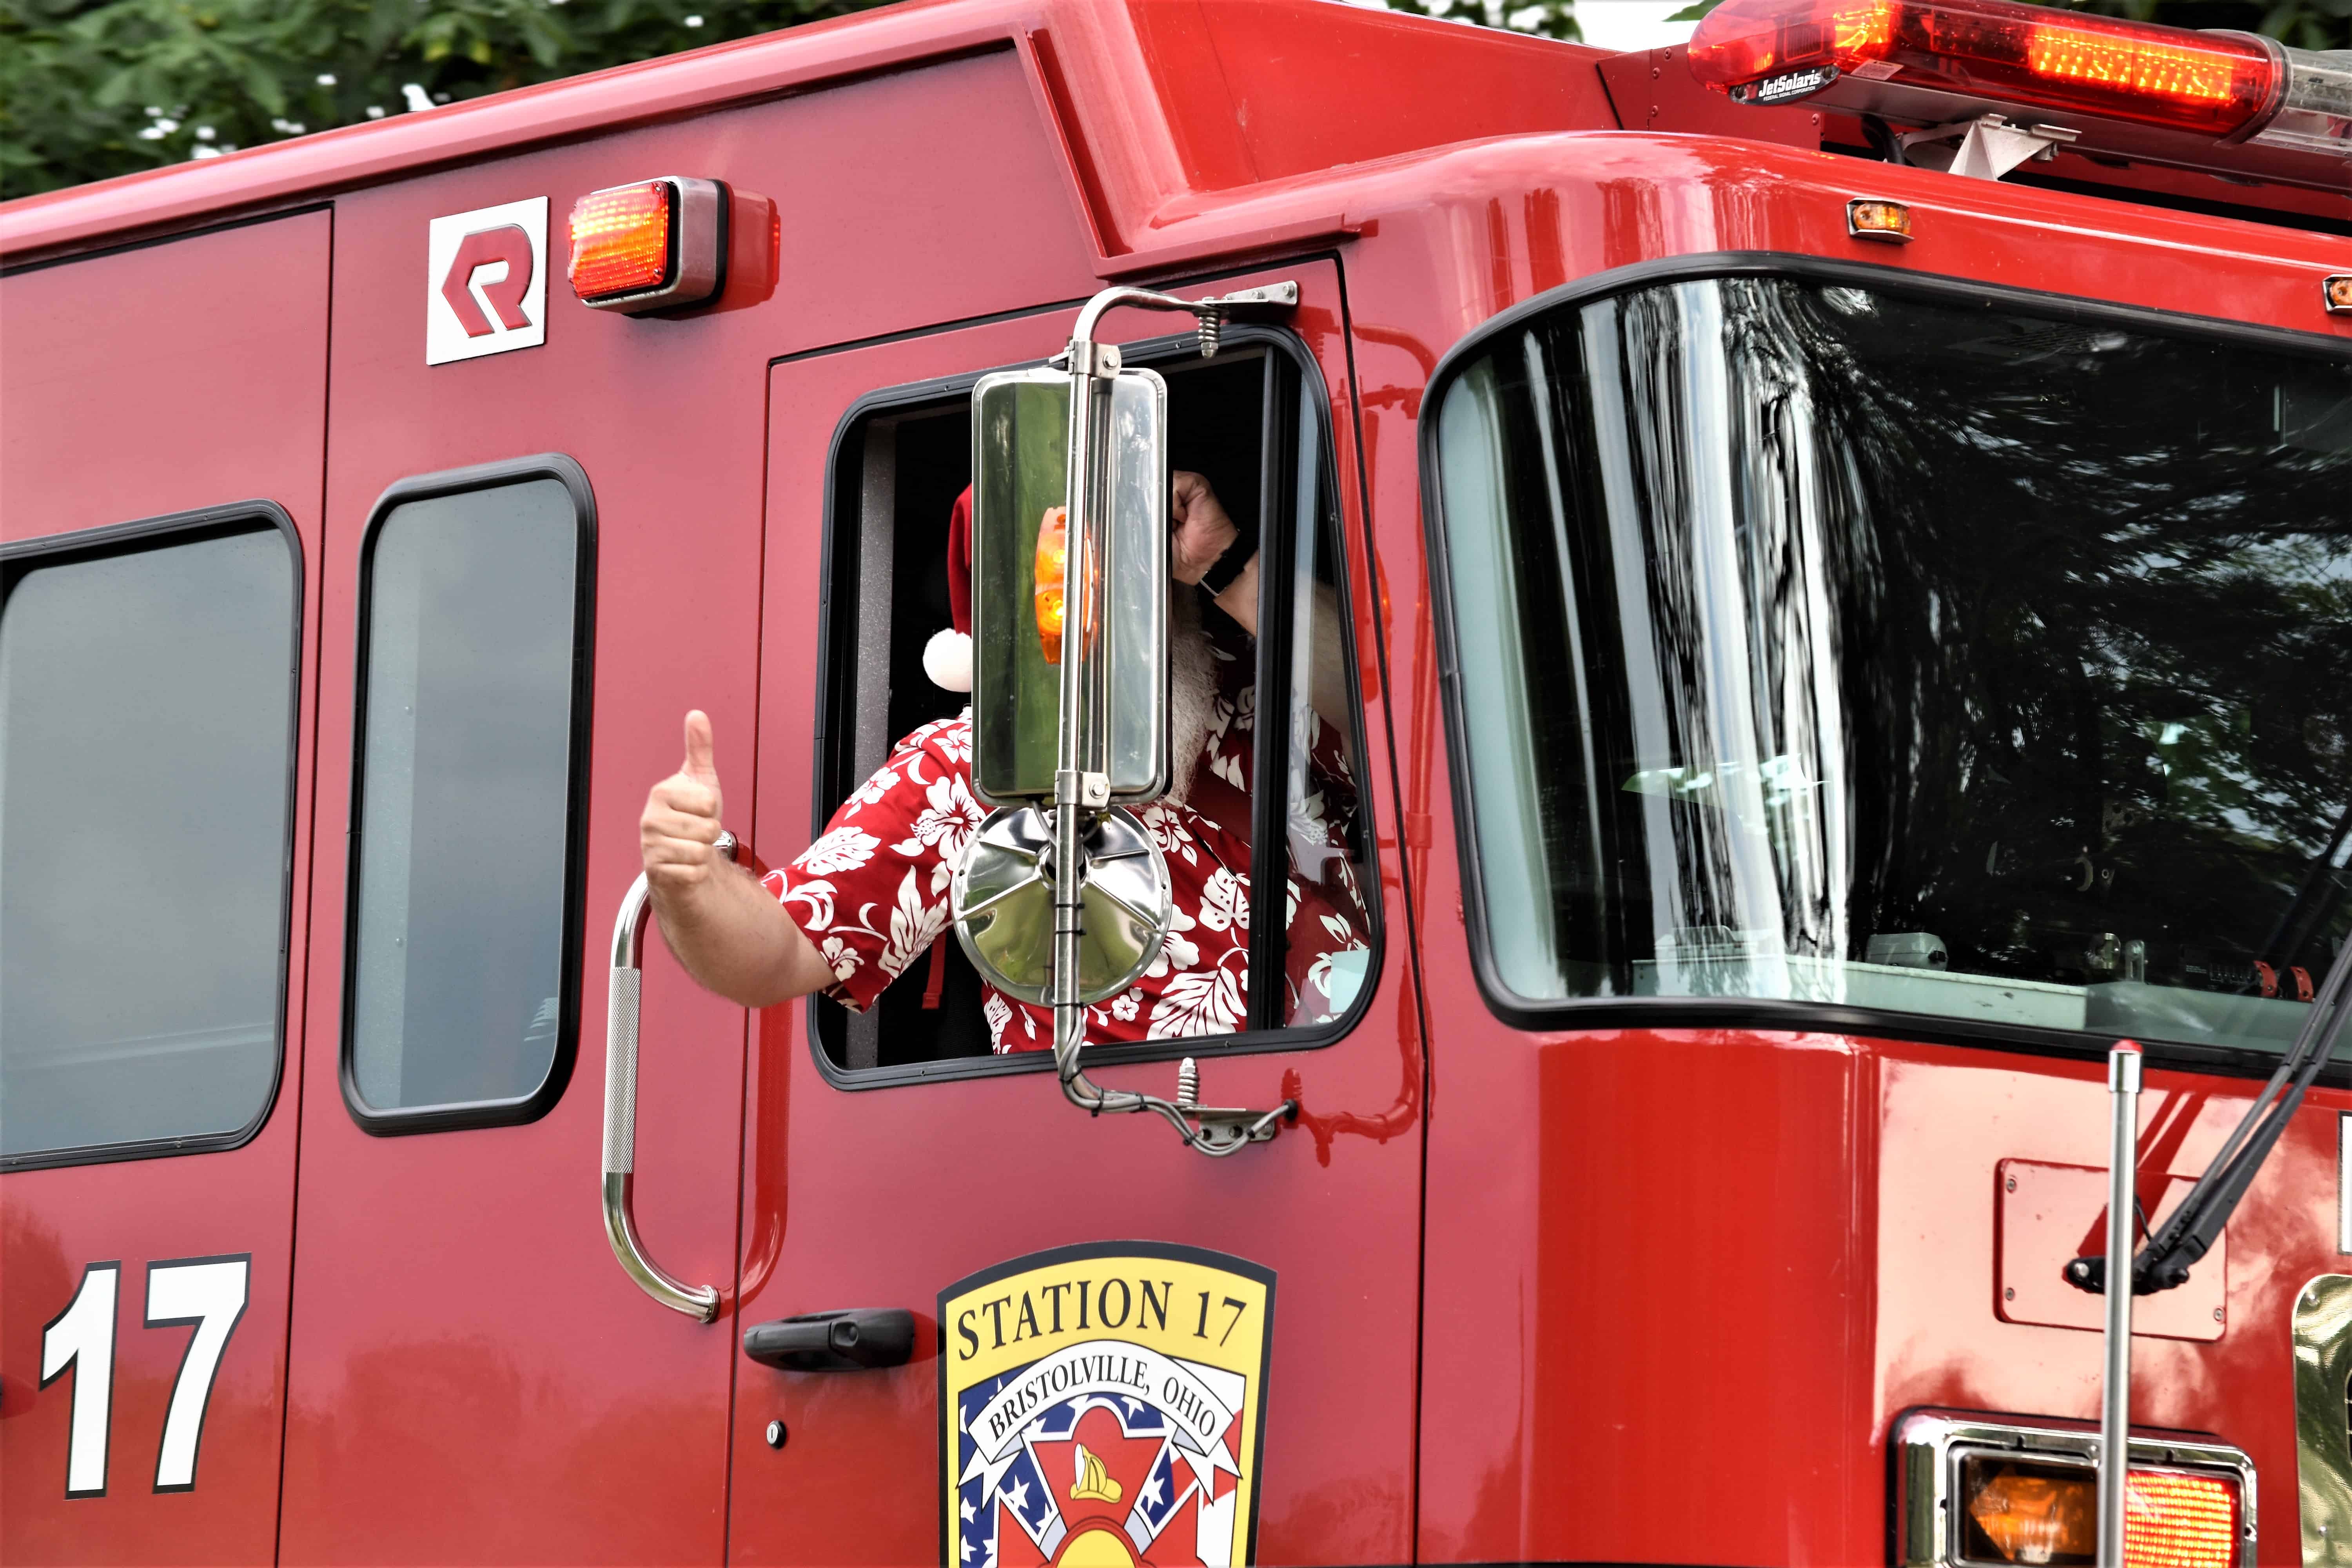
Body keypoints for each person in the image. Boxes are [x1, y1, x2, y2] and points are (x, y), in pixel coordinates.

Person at [639, 472, 1368, 1051]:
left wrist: (1227, 565)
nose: (1082, 605)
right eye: (1049, 589)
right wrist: (689, 885)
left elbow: (1405, 714)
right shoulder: (964, 778)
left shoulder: (1248, 670)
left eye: (1104, 567)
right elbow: (777, 954)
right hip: (1152, 1179)